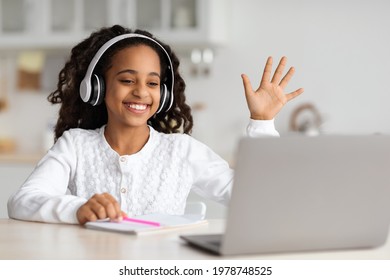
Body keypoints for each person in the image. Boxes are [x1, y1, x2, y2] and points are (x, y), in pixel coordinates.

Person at [7, 25, 303, 225]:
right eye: (126, 80)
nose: (140, 91)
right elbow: (23, 201)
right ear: (96, 87)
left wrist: (262, 122)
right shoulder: (75, 145)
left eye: (152, 82)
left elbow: (258, 196)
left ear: (163, 94)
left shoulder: (181, 150)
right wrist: (77, 209)